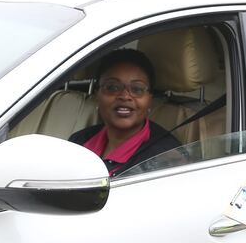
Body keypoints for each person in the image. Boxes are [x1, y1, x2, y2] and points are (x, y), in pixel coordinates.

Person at [70, 49, 181, 177]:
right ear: (97, 96)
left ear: (150, 100)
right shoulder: (79, 141)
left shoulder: (166, 158)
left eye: (137, 89)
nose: (124, 96)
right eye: (112, 87)